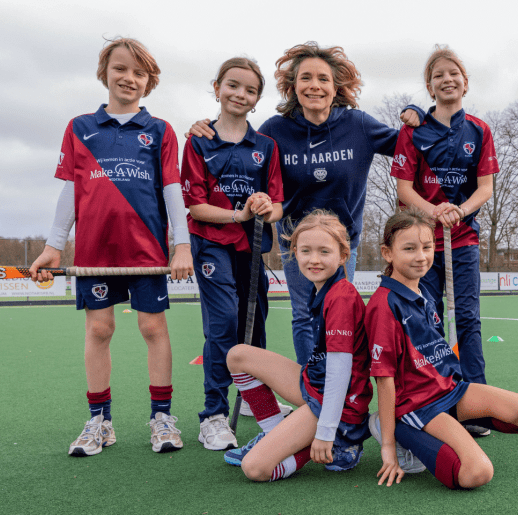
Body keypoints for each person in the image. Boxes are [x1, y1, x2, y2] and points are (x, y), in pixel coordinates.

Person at [186, 42, 422, 366]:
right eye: (306, 78)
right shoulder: (275, 130)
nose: (315, 85)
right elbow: (237, 142)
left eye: (323, 78)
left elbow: (410, 147)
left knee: (336, 315)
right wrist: (205, 129)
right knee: (303, 316)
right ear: (293, 86)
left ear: (335, 85)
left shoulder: (359, 125)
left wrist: (419, 116)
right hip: (295, 241)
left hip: (342, 243)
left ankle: (336, 389)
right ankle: (311, 390)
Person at [30, 37, 193, 456]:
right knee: (99, 329)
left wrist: (182, 245)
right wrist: (54, 246)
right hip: (94, 253)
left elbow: (173, 191)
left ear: (149, 82)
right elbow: (70, 190)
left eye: (139, 73)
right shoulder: (80, 127)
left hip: (146, 252)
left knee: (152, 328)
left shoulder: (159, 131)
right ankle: (99, 421)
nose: (129, 78)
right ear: (105, 72)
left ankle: (161, 417)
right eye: (121, 69)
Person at [365, 209, 518, 489]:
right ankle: (397, 432)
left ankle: (435, 432)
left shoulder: (425, 291)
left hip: (449, 390)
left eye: (427, 247)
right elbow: (384, 379)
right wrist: (386, 446)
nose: (421, 256)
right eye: (409, 248)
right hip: (418, 405)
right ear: (387, 253)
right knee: (476, 473)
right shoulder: (384, 305)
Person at [181, 57, 288, 451]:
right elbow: (195, 206)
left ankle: (255, 403)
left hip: (253, 246)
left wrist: (263, 206)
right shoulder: (198, 141)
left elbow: (278, 204)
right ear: (217, 88)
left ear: (257, 98)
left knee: (254, 326)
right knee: (224, 323)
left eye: (250, 89)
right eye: (233, 85)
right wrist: (237, 214)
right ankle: (212, 414)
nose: (240, 94)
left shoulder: (266, 146)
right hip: (212, 244)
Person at [221, 209, 373, 481]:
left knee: (256, 468)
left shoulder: (341, 297)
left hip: (336, 403)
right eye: (305, 251)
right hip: (315, 386)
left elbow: (340, 373)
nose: (314, 260)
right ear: (295, 254)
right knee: (238, 356)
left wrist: (325, 433)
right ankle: (275, 432)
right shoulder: (322, 289)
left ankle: (339, 438)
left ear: (342, 256)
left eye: (324, 252)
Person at [390, 46, 497, 419]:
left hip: (462, 238)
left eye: (454, 73)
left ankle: (478, 405)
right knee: (427, 317)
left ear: (465, 83)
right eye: (438, 75)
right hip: (421, 240)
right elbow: (404, 188)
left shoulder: (480, 130)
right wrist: (435, 211)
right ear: (429, 86)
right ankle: (435, 397)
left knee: (467, 317)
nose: (447, 79)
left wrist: (459, 211)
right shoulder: (413, 130)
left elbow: (485, 187)